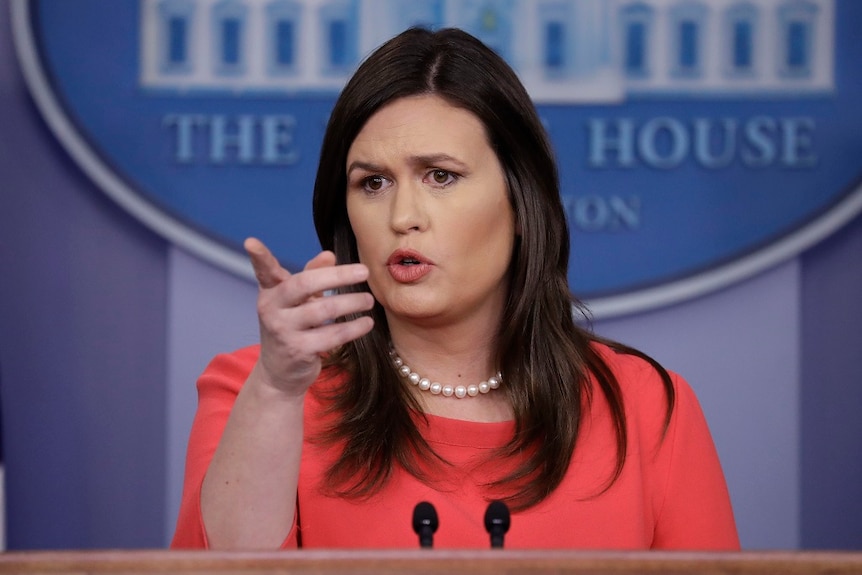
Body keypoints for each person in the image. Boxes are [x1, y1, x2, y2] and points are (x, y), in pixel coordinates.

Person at [171, 26, 739, 550]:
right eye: (372, 183)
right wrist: (275, 391)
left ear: (521, 203)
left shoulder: (644, 407)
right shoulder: (258, 392)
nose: (403, 216)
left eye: (440, 176)